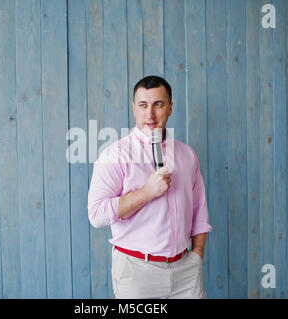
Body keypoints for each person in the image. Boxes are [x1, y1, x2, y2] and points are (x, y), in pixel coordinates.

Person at [87, 75, 212, 299]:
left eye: (158, 104)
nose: (150, 114)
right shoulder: (114, 155)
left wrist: (197, 256)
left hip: (185, 271)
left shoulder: (186, 154)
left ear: (170, 108)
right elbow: (96, 215)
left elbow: (199, 211)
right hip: (137, 273)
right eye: (143, 105)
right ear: (134, 108)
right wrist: (146, 193)